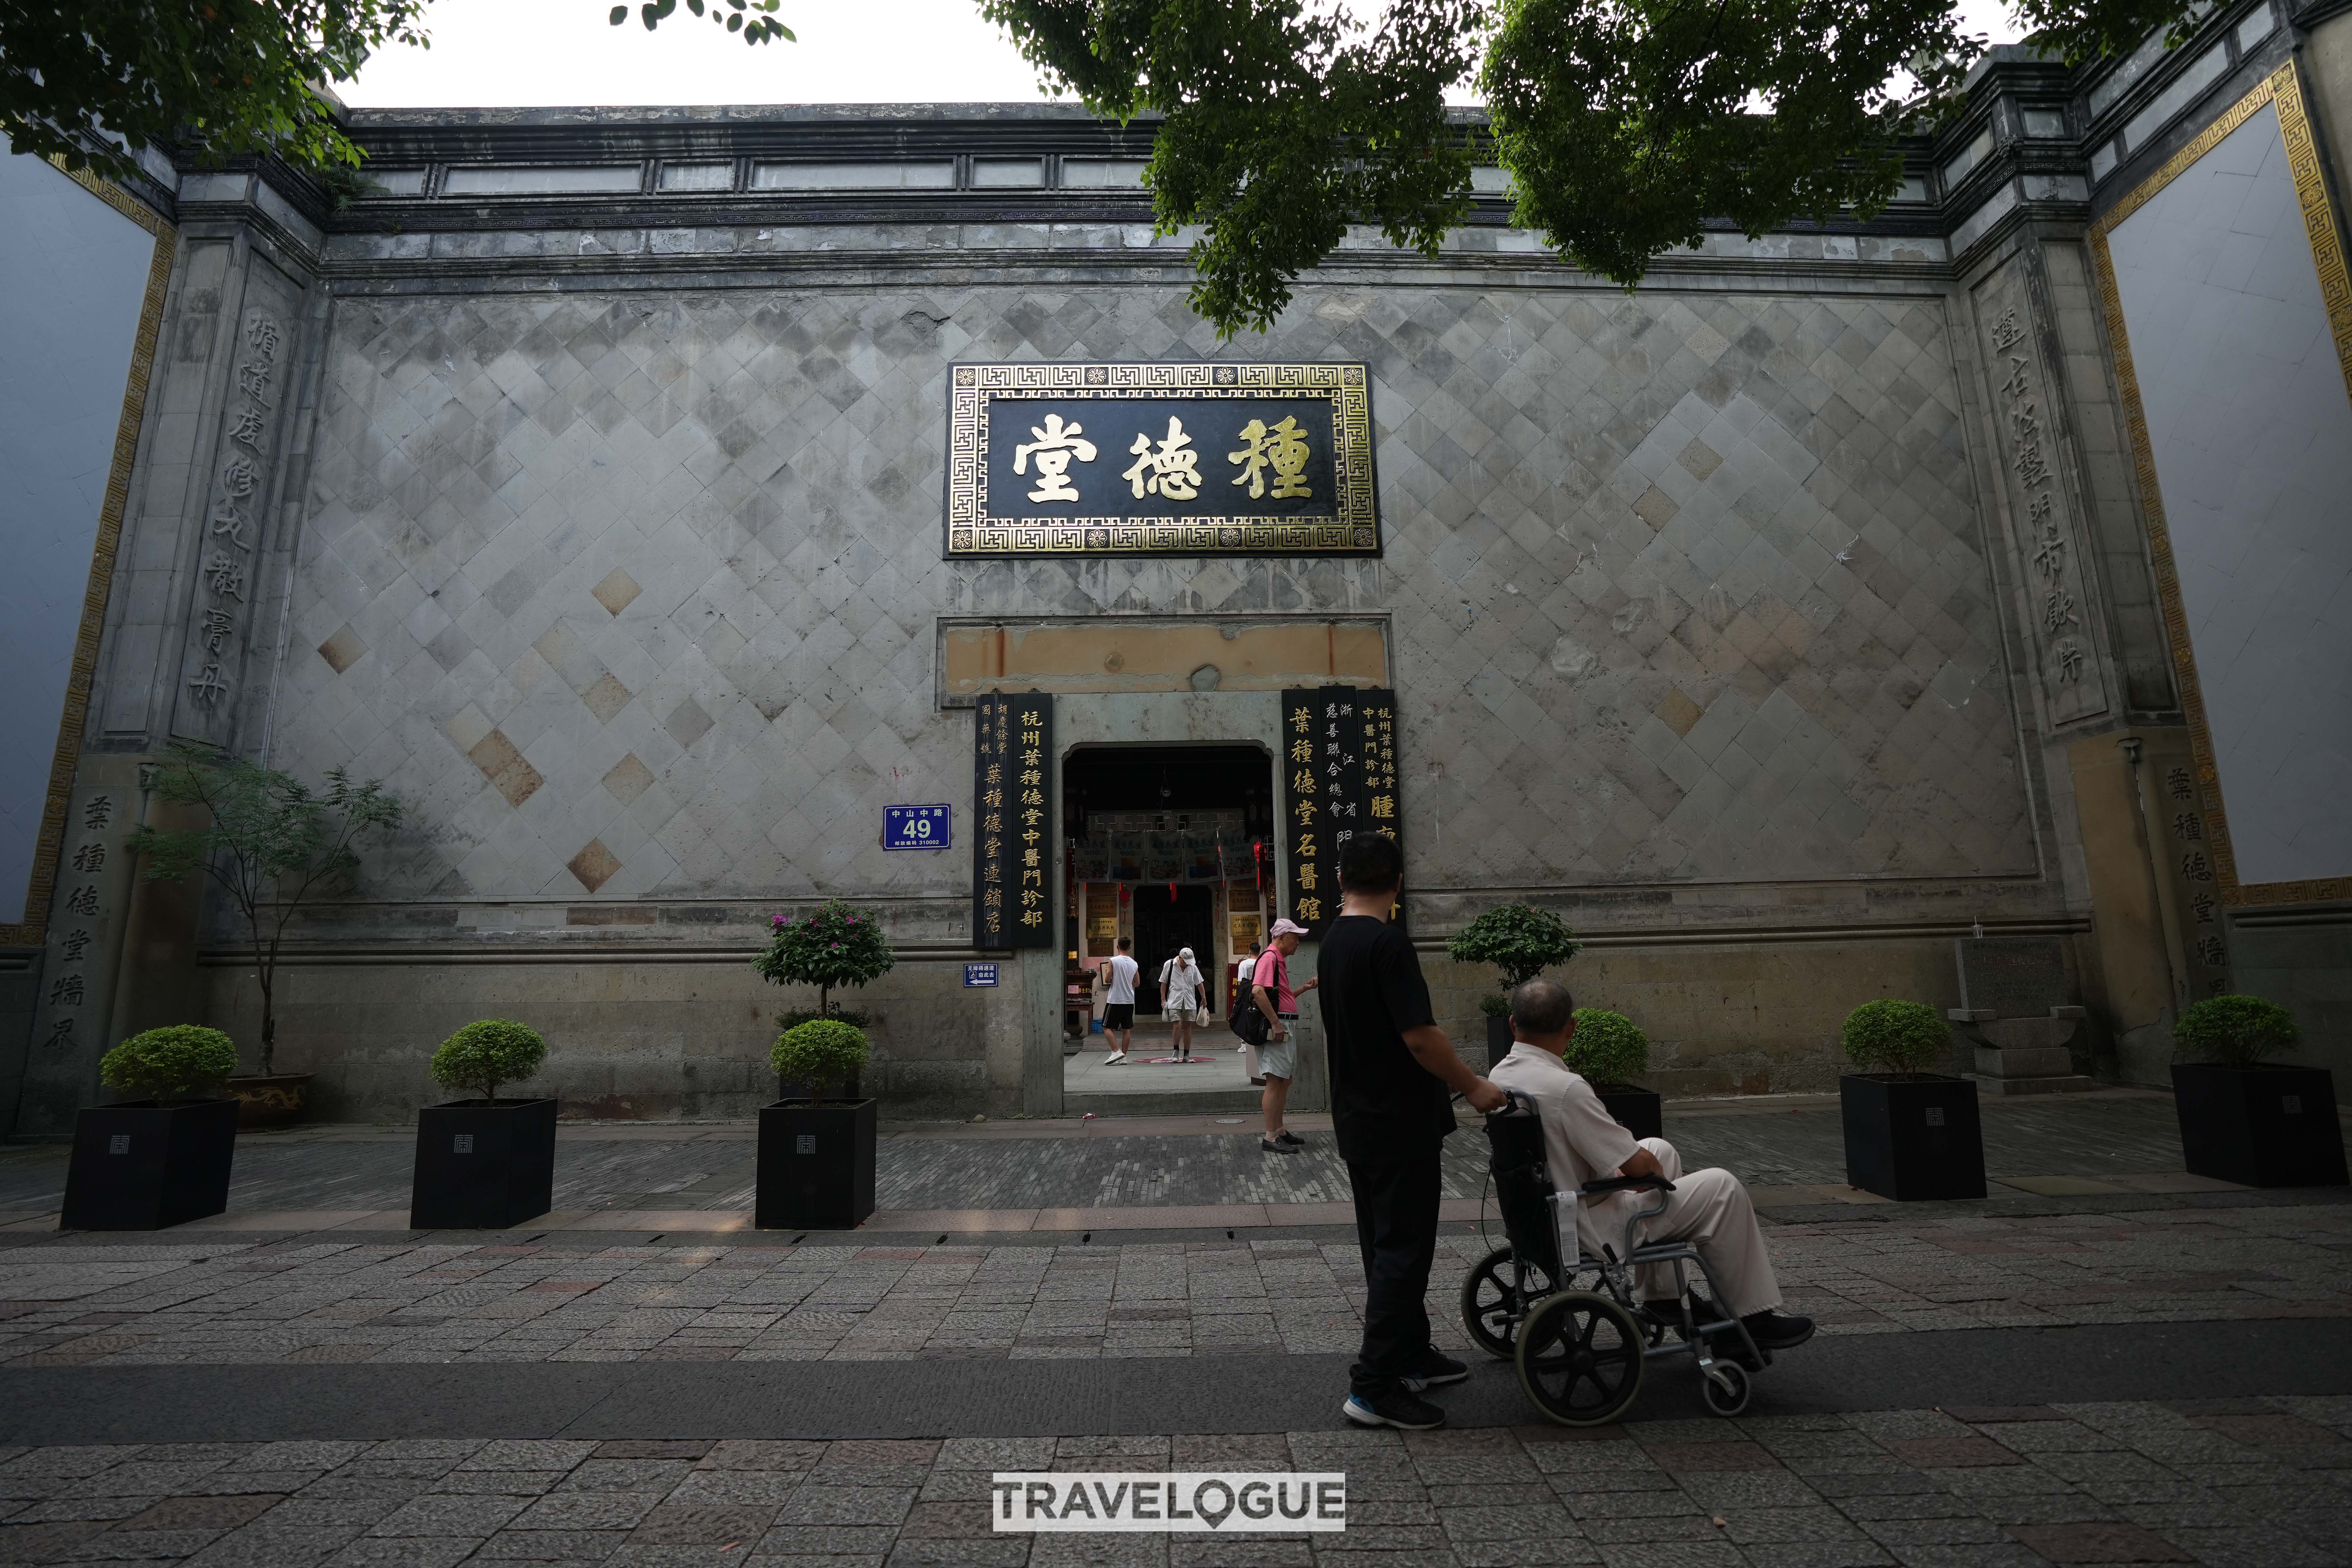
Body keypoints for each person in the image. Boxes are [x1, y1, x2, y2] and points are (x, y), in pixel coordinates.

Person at [1487, 977, 1814, 1352]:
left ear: (1513, 1024)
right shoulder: (1565, 1088)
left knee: (1660, 1147)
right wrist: (1647, 1176)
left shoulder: (1503, 1076)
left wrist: (1642, 1170)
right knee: (1722, 1187)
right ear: (1571, 1028)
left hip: (1546, 1208)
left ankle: (1663, 1298)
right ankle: (1751, 1318)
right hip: (1585, 1223)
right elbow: (1637, 1163)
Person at [1319, 833, 1507, 1431]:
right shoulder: (1386, 943)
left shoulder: (1333, 943)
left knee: (1384, 1244)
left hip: (1358, 1117)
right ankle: (1372, 1386)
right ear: (1398, 884)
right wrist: (1474, 1085)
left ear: (1341, 880)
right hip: (1398, 1120)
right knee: (1404, 1249)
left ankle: (1409, 1351)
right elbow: (1420, 1036)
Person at [1252, 919, 1320, 1153]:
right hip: (1278, 1029)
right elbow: (1258, 991)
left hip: (1284, 1026)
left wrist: (1304, 988)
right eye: (1295, 937)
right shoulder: (1270, 958)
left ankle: (1279, 1130)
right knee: (1275, 1081)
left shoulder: (1277, 959)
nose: (1298, 943)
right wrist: (1275, 1023)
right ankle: (1271, 1135)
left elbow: (1283, 996)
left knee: (1284, 1080)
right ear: (1282, 938)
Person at [1159, 946, 1205, 1060]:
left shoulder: (1193, 967)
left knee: (1188, 1027)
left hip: (1189, 1001)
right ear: (1180, 958)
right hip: (1174, 1000)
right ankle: (1176, 1051)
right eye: (1186, 962)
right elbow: (1164, 983)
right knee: (1177, 1025)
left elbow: (1199, 983)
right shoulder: (1169, 965)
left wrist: (1204, 998)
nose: (1188, 964)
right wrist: (1163, 999)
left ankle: (1187, 1055)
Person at [1099, 937, 1139, 1065]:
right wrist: (1128, 983)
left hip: (1116, 999)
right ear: (1129, 948)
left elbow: (1107, 979)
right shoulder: (1134, 963)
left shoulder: (1113, 961)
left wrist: (1114, 981)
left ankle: (1116, 1051)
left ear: (1118, 947)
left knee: (1106, 1026)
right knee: (1126, 1029)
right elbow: (1137, 983)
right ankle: (1124, 1057)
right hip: (1129, 1000)